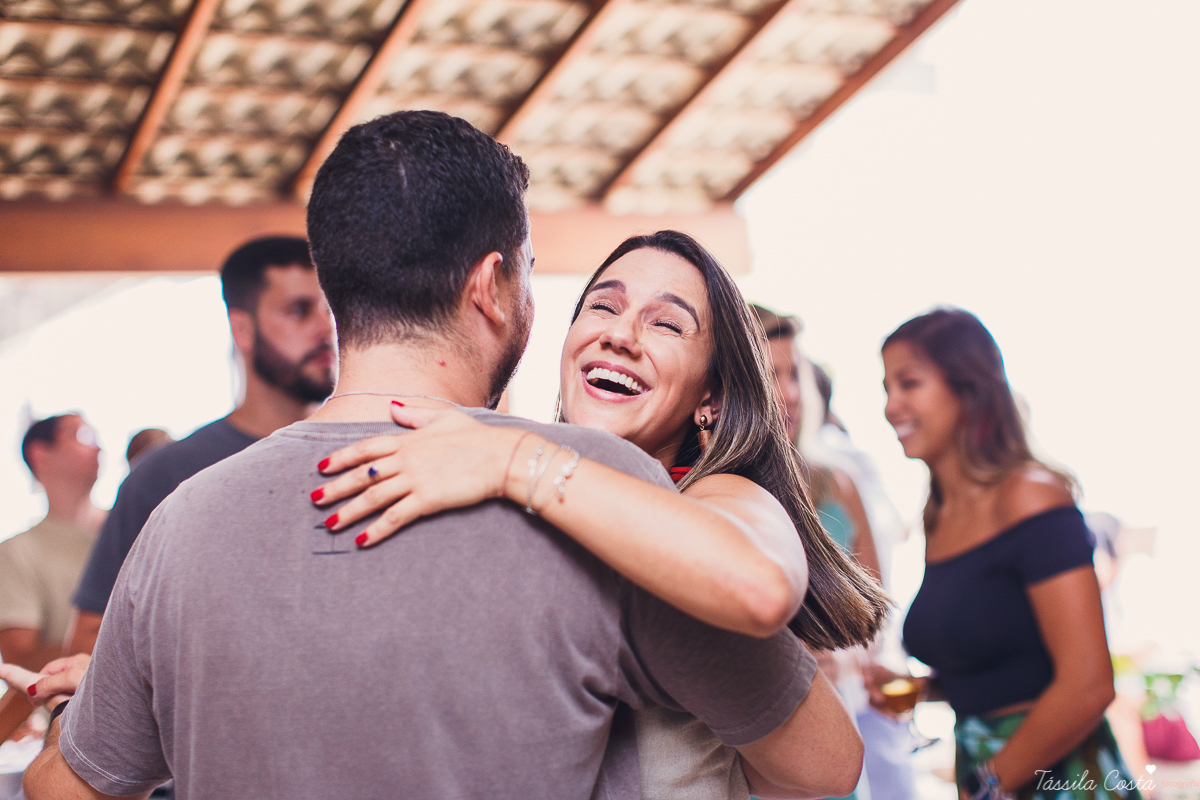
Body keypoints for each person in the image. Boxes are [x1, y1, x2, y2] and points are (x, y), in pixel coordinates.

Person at [24, 111, 868, 800]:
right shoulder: (600, 504)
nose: (617, 333)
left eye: (666, 322)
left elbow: (66, 789)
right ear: (491, 286)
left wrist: (114, 700)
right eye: (588, 299)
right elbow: (825, 766)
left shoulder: (184, 520)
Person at [308, 236, 889, 798]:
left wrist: (511, 458)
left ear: (710, 396)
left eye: (665, 324)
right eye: (602, 306)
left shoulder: (718, 494)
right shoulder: (514, 499)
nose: (620, 334)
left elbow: (760, 590)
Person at [871, 307, 1140, 800]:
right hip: (988, 770)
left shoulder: (1031, 496)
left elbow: (1089, 684)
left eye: (908, 383)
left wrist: (989, 782)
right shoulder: (940, 514)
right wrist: (925, 689)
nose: (891, 407)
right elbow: (1004, 667)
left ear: (967, 389)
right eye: (886, 388)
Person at [65, 236, 335, 656]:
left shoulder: (375, 454)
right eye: (299, 310)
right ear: (242, 330)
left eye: (331, 308)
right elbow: (89, 641)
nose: (326, 328)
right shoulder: (164, 477)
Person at [0, 414, 104, 672]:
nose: (98, 447)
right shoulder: (16, 553)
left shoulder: (133, 527)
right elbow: (20, 660)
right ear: (40, 454)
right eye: (81, 436)